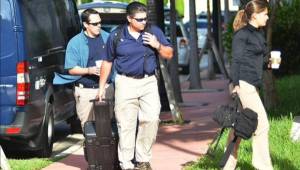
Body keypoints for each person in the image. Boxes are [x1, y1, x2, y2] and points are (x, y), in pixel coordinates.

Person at [98, 2, 173, 170]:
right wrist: (102, 86)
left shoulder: (153, 32)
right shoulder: (116, 35)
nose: (143, 22)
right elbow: (107, 61)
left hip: (148, 82)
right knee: (126, 125)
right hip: (125, 83)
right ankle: (126, 163)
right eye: (139, 20)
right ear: (129, 19)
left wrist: (157, 45)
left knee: (152, 119)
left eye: (145, 19)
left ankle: (143, 159)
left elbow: (169, 54)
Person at [225, 0, 273, 170]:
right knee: (262, 125)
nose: (267, 17)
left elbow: (259, 59)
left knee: (241, 126)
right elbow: (236, 61)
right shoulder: (242, 35)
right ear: (254, 15)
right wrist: (235, 84)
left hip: (253, 85)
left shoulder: (258, 34)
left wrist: (270, 62)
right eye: (265, 14)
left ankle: (227, 165)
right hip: (243, 85)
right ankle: (263, 166)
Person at [53, 8, 112, 129]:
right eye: (95, 24)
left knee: (108, 129)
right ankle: (91, 149)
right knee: (88, 128)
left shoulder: (108, 38)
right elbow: (71, 69)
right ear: (85, 24)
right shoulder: (75, 43)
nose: (99, 26)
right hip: (86, 91)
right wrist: (89, 70)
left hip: (107, 88)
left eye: (100, 22)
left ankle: (108, 149)